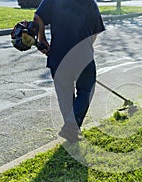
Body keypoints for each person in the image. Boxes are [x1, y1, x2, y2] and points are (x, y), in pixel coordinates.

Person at [33, 0, 105, 143]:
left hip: (58, 56)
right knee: (86, 90)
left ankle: (71, 129)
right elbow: (94, 34)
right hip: (83, 57)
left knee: (65, 94)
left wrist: (42, 38)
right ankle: (71, 127)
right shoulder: (90, 3)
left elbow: (38, 17)